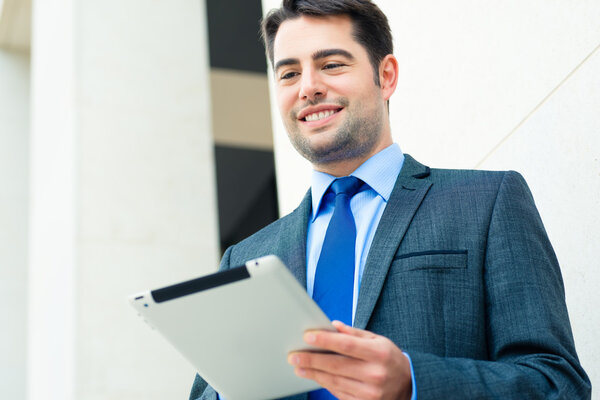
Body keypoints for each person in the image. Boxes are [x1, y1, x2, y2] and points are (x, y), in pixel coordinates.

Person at [190, 0, 591, 399]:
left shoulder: (487, 203)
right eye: (289, 73)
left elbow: (559, 385)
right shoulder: (243, 259)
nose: (307, 87)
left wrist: (414, 381)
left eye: (331, 64)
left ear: (386, 75)